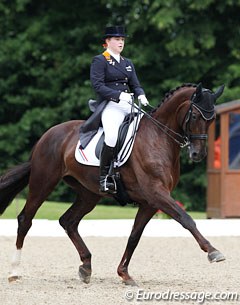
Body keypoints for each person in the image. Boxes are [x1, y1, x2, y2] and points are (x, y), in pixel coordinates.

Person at [90, 25, 149, 193]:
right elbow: (98, 86)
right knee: (112, 136)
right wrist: (118, 95)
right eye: (117, 39)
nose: (121, 42)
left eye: (122, 39)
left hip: (128, 104)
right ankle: (104, 178)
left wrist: (141, 94)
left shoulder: (127, 63)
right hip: (110, 105)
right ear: (107, 41)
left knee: (148, 128)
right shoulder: (100, 60)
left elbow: (135, 84)